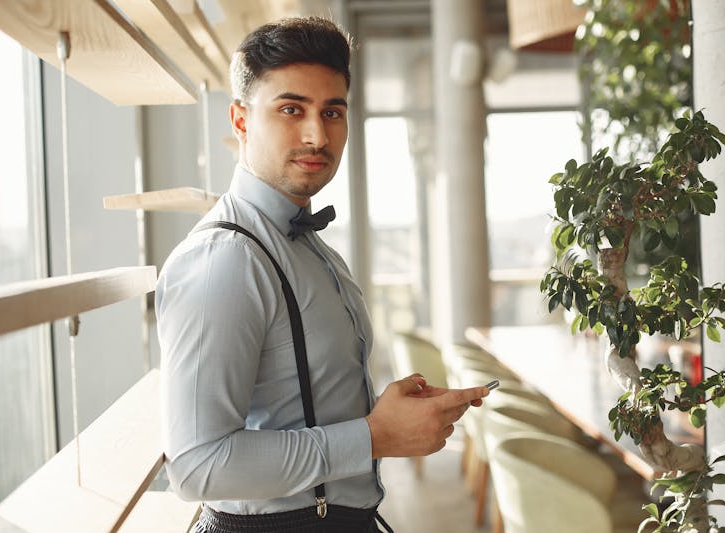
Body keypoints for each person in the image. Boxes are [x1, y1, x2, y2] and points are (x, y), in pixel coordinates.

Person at [155, 16, 490, 533]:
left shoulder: (311, 245)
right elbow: (198, 466)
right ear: (241, 120)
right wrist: (373, 437)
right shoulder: (225, 258)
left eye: (332, 111)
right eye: (292, 109)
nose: (317, 134)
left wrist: (385, 415)